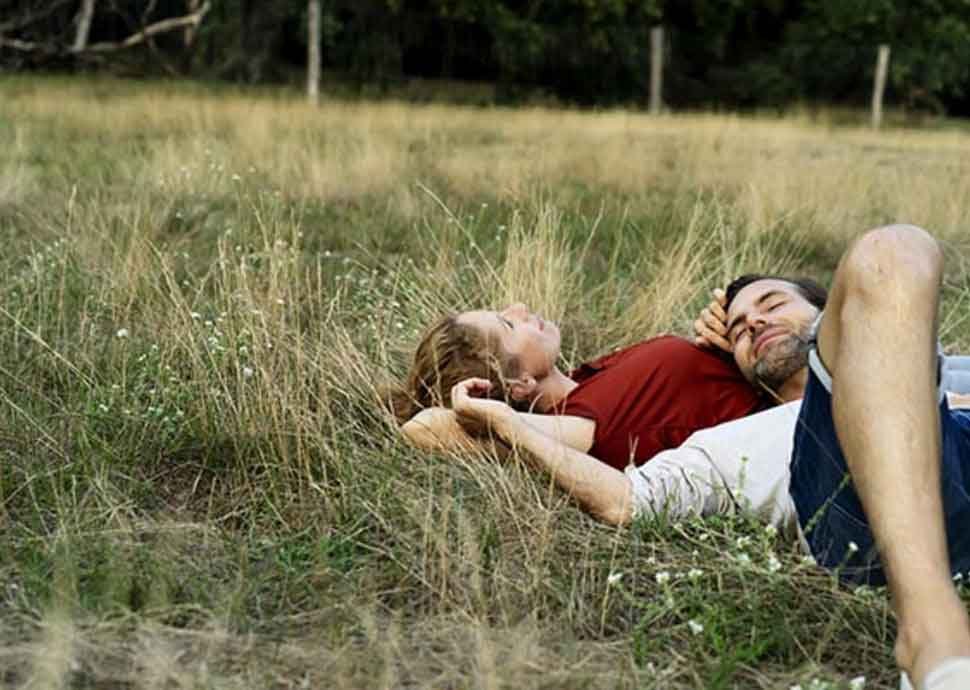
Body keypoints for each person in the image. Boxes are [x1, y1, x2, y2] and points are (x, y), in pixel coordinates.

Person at [709, 226, 970, 690]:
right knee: (892, 248)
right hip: (859, 501)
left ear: (828, 309)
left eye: (771, 305)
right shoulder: (742, 438)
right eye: (737, 330)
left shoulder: (949, 368)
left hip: (952, 436)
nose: (752, 323)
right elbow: (626, 498)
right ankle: (930, 633)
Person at [388, 303, 785, 471]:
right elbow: (423, 428)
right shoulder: (581, 425)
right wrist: (487, 414)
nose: (520, 308)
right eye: (508, 324)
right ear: (519, 383)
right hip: (806, 426)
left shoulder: (585, 381)